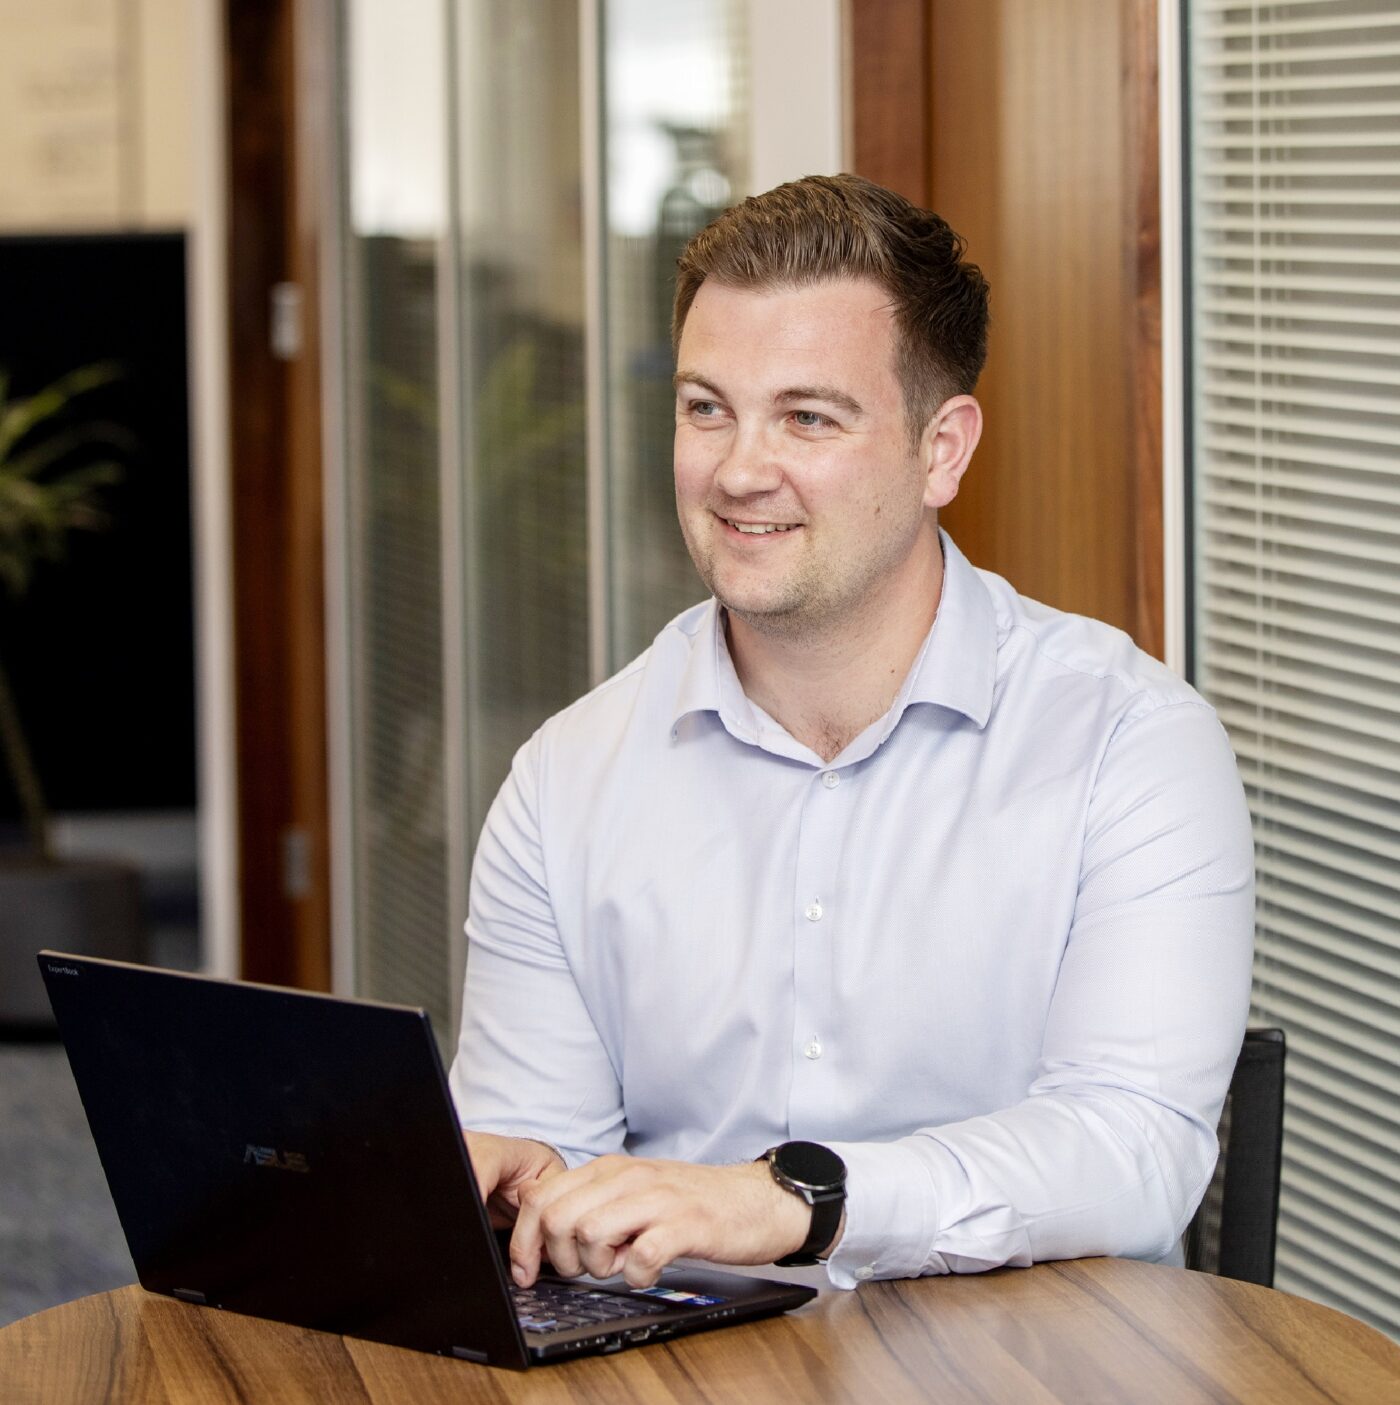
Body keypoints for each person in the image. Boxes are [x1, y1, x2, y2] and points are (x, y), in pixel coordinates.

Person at [448, 174, 1255, 1293]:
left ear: (941, 451)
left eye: (807, 417)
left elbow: (1132, 1148)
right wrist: (527, 1180)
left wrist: (795, 1199)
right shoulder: (564, 777)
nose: (735, 470)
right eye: (704, 407)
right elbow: (534, 1143)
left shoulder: (1129, 743)